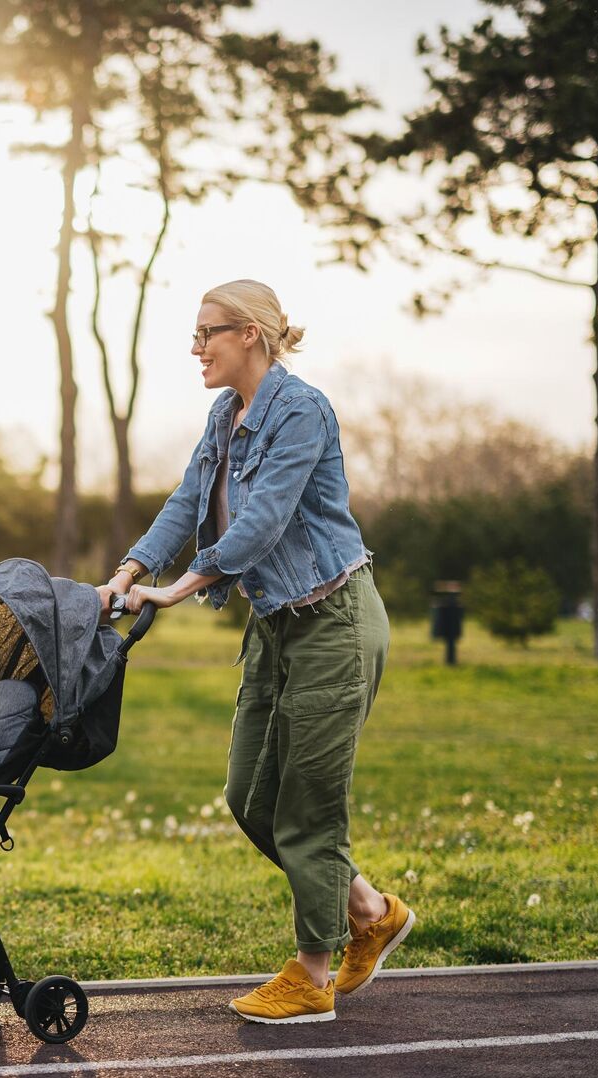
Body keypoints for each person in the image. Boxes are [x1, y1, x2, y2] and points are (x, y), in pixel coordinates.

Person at [99, 279, 415, 1025]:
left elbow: (264, 522)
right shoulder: (223, 415)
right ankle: (370, 909)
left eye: (207, 331)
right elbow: (187, 501)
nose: (196, 347)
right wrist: (131, 569)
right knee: (250, 795)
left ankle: (312, 971)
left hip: (334, 620)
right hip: (275, 625)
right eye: (195, 333)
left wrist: (179, 590)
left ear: (251, 334)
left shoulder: (301, 410)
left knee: (308, 804)